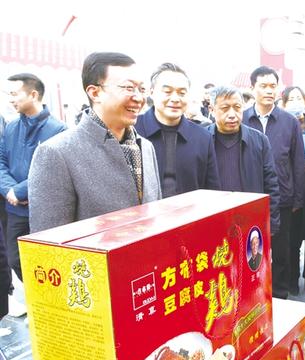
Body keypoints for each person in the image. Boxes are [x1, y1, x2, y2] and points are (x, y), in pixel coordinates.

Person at [28, 52, 162, 233]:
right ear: (95, 92)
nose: (139, 98)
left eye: (141, 89)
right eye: (129, 88)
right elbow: (49, 240)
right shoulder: (56, 153)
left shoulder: (145, 147)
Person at [243, 66, 305, 299]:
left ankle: (279, 295)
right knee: (250, 251)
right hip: (249, 198)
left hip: (282, 197)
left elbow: (297, 161)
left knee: (281, 251)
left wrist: (298, 198)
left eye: (273, 86)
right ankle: (253, 297)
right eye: (263, 86)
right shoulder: (241, 118)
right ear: (252, 88)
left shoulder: (289, 121)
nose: (269, 91)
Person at [0, 73, 67, 293]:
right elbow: (1, 162)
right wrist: (9, 190)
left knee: (49, 262)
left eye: (14, 94)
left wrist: (20, 191)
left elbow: (51, 170)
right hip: (15, 210)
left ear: (33, 94)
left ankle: (51, 300)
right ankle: (39, 296)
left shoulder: (58, 130)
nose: (11, 99)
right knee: (15, 259)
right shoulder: (10, 127)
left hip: (43, 210)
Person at [135, 63, 220, 197]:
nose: (175, 99)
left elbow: (212, 191)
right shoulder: (132, 130)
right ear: (151, 92)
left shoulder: (203, 138)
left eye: (182, 93)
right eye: (167, 92)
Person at [206, 85, 280, 236]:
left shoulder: (259, 140)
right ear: (212, 110)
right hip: (212, 222)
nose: (232, 114)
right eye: (225, 108)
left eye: (237, 107)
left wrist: (270, 226)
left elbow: (271, 185)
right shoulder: (202, 139)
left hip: (250, 223)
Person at [281, 85, 305, 295]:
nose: (295, 102)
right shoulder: (282, 125)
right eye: (291, 99)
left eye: (299, 98)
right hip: (291, 188)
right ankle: (292, 278)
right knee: (292, 239)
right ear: (284, 104)